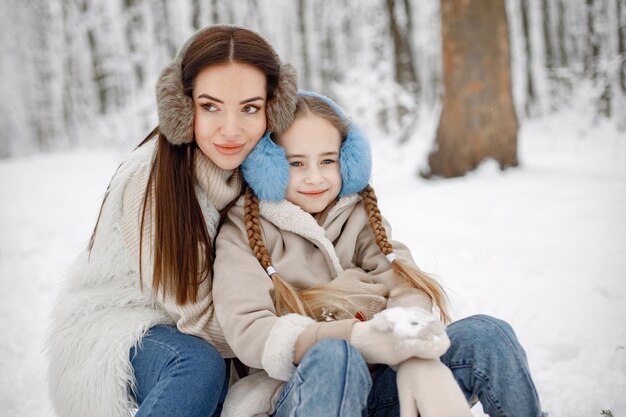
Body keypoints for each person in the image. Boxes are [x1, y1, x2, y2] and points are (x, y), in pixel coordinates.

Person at [212, 92, 546, 417]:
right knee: (335, 356)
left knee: (487, 334)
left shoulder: (358, 216)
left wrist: (411, 348)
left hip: (382, 387)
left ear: (347, 162)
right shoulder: (242, 231)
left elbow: (404, 284)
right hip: (298, 394)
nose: (315, 177)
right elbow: (250, 329)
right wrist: (357, 338)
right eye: (295, 163)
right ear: (267, 167)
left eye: (327, 160)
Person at [46, 25, 298, 417]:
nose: (231, 130)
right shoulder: (151, 180)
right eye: (210, 106)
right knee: (196, 366)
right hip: (125, 330)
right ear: (182, 108)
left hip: (223, 329)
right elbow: (195, 318)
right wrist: (299, 333)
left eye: (250, 108)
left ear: (273, 108)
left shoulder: (263, 172)